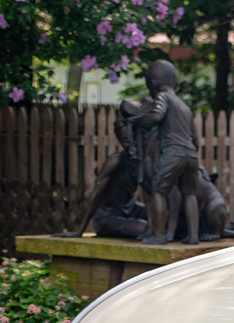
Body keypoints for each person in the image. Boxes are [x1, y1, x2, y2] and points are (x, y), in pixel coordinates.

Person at [53, 101, 149, 239]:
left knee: (170, 222)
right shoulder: (116, 161)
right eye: (125, 140)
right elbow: (95, 194)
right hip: (107, 218)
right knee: (145, 228)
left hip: (131, 209)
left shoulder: (141, 160)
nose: (131, 144)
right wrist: (80, 231)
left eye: (133, 138)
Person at [133, 59, 201, 245]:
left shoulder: (163, 97)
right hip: (191, 155)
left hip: (173, 152)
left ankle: (159, 236)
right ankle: (193, 236)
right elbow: (196, 139)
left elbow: (156, 116)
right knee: (189, 193)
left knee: (158, 190)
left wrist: (138, 120)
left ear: (153, 82)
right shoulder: (184, 106)